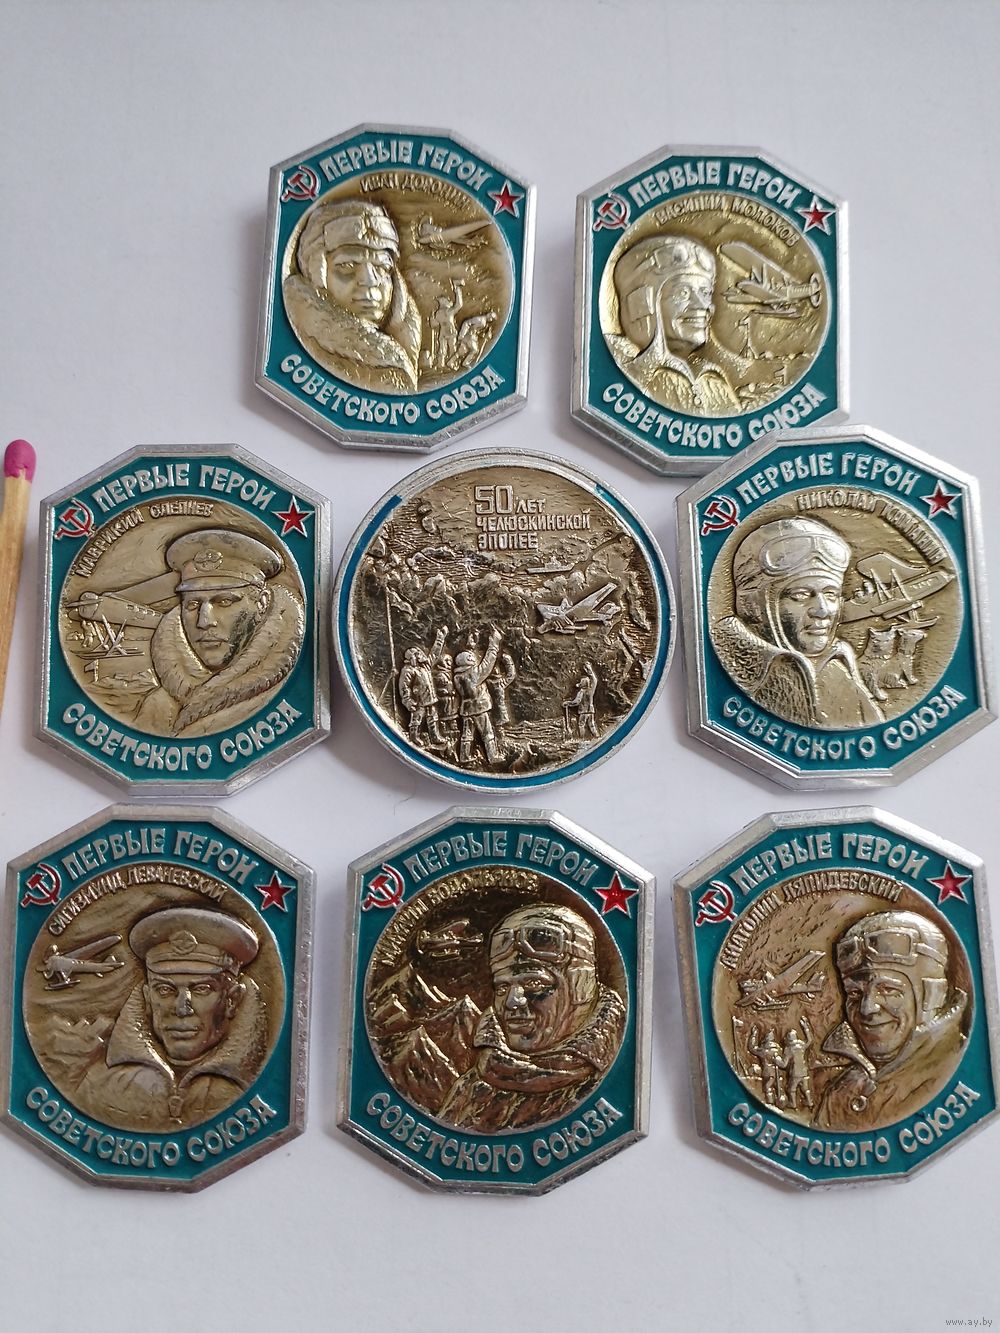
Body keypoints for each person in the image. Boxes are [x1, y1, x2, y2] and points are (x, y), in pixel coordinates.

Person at [75, 907, 267, 1130]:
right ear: (148, 999)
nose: (182, 1009)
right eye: (165, 990)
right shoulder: (101, 1088)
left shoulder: (254, 1087)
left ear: (231, 1000)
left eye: (202, 989)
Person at [439, 903, 626, 1130]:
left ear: (580, 986)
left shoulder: (613, 1075)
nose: (512, 1002)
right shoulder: (473, 1088)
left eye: (534, 983)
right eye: (502, 988)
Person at [710, 516, 885, 729]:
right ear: (756, 606)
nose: (823, 611)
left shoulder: (837, 667)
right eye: (800, 595)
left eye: (830, 595)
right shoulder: (719, 666)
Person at [134, 529, 305, 737]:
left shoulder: (285, 695)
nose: (204, 621)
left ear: (262, 603)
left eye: (224, 601)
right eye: (193, 604)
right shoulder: (157, 707)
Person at [813, 910, 967, 1130]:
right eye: (854, 993)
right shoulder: (841, 1093)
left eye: (888, 990)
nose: (867, 1008)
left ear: (931, 995)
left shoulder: (953, 1072)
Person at [282, 199, 421, 393]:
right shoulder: (299, 339)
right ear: (316, 274)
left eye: (382, 267)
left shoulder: (404, 340)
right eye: (347, 265)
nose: (370, 280)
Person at [607, 234, 741, 415]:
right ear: (644, 304)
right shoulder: (629, 375)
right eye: (683, 293)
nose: (703, 305)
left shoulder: (715, 383)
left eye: (705, 293)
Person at [453, 626, 503, 765]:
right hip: (479, 708)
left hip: (466, 709)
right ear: (468, 660)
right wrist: (494, 643)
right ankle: (492, 756)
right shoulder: (473, 674)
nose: (474, 658)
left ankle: (464, 756)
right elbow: (488, 663)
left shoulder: (458, 677)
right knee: (487, 733)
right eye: (471, 657)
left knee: (467, 734)